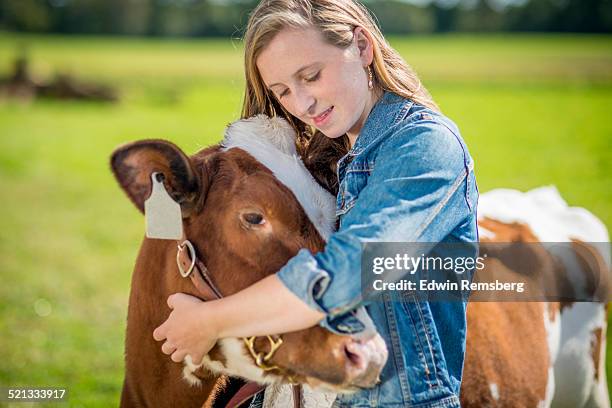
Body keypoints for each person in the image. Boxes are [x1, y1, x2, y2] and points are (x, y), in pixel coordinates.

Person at [152, 0, 479, 407]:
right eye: (283, 91)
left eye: (312, 76)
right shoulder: (319, 161)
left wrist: (208, 323)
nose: (302, 104)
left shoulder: (425, 147)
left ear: (362, 47)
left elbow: (348, 273)